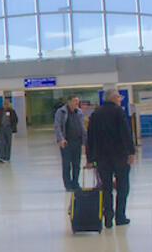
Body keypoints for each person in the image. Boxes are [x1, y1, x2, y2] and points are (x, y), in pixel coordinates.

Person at [85, 89, 136, 228]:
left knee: (106, 187)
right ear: (113, 98)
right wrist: (131, 152)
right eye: (119, 97)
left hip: (102, 157)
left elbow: (90, 138)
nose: (120, 99)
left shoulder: (95, 114)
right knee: (122, 186)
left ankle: (108, 217)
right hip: (119, 155)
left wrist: (89, 158)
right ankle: (120, 217)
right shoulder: (118, 112)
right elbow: (126, 133)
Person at [54, 97, 85, 192]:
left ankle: (75, 183)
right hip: (66, 142)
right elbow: (57, 126)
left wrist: (84, 140)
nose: (77, 103)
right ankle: (68, 184)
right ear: (69, 102)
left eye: (78, 101)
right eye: (75, 101)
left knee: (77, 164)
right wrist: (61, 139)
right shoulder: (61, 112)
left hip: (77, 142)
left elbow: (82, 126)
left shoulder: (79, 112)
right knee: (67, 164)